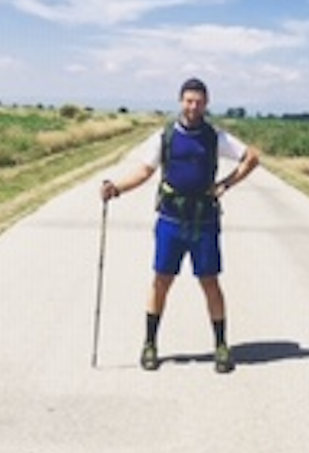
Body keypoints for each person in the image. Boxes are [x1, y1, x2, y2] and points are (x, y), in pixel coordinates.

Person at [100, 76, 261, 373]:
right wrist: (116, 187)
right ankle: (149, 344)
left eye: (198, 101)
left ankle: (221, 346)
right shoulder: (165, 137)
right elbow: (145, 171)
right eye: (188, 101)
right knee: (161, 281)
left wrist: (226, 184)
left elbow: (251, 157)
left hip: (204, 221)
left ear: (206, 103)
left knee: (210, 282)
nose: (193, 106)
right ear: (180, 102)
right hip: (171, 220)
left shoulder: (215, 137)